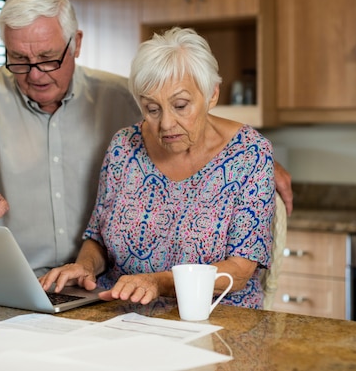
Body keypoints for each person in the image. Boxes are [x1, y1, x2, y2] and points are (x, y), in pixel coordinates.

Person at [0, 0, 293, 278]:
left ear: (76, 43)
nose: (35, 73)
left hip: (93, 288)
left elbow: (188, 118)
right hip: (24, 278)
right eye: (19, 59)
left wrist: (252, 157)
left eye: (48, 58)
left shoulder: (120, 96)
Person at [39, 27, 276, 309]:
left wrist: (157, 282)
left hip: (214, 319)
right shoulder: (124, 146)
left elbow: (238, 271)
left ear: (212, 95)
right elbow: (98, 239)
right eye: (152, 109)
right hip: (123, 313)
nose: (165, 124)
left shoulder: (250, 153)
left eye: (180, 105)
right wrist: (85, 266)